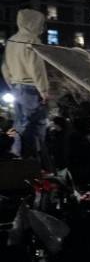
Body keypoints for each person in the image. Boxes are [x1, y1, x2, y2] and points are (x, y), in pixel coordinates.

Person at [2, 9, 51, 162]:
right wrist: (44, 91)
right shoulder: (32, 40)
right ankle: (32, 159)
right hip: (31, 88)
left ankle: (17, 156)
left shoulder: (12, 40)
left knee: (20, 124)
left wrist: (12, 83)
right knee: (34, 126)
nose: (42, 27)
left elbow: (4, 66)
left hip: (17, 87)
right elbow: (36, 68)